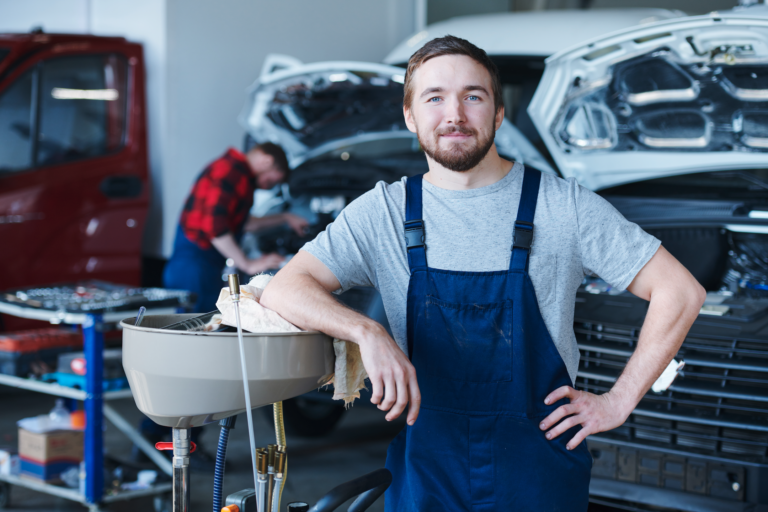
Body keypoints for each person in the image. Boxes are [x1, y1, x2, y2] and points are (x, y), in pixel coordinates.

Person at [260, 36, 706, 511]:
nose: (454, 114)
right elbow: (286, 287)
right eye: (435, 97)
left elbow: (679, 290)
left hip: (537, 476)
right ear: (411, 115)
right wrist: (366, 331)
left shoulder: (564, 206)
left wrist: (617, 401)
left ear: (497, 113)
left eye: (473, 96)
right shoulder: (384, 212)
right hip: (427, 474)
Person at [163, 143, 307, 312]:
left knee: (196, 330)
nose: (270, 187)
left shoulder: (237, 175)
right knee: (200, 331)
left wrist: (285, 217)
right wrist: (248, 264)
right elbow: (215, 228)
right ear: (267, 161)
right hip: (195, 268)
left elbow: (244, 224)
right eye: (274, 180)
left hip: (198, 266)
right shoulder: (229, 171)